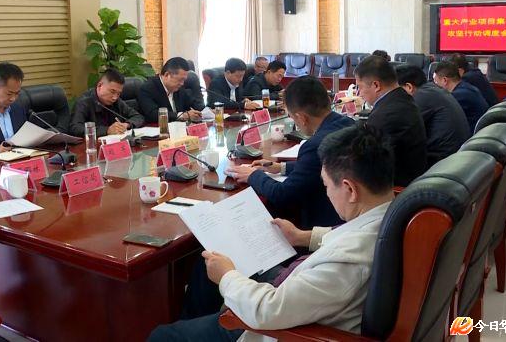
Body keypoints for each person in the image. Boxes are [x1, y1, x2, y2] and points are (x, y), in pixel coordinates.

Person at [149, 125, 394, 341]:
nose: (327, 193)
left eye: (326, 186)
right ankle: (201, 325)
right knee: (209, 265)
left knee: (163, 336)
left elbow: (268, 310)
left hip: (282, 325)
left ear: (350, 190)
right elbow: (344, 237)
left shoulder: (348, 260)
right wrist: (302, 237)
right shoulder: (390, 215)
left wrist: (227, 276)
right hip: (303, 292)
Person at [225, 76, 353, 228]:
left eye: (291, 117)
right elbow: (316, 166)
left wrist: (253, 175)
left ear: (302, 117)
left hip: (326, 223)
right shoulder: (348, 123)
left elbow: (283, 195)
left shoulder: (314, 146)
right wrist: (281, 167)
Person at [354, 55, 427, 186]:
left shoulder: (385, 115)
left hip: (397, 188)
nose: (358, 93)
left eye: (359, 87)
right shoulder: (401, 97)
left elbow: (367, 163)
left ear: (376, 85)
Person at [395, 64, 470, 166]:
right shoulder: (432, 90)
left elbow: (400, 128)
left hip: (441, 162)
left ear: (409, 87)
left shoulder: (421, 97)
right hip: (456, 158)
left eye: (395, 90)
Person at [69, 68, 145, 137]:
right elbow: (75, 128)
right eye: (112, 92)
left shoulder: (117, 101)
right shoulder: (84, 102)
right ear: (100, 85)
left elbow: (138, 117)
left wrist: (126, 125)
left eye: (118, 93)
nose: (115, 97)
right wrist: (107, 130)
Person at [138, 57, 205, 123]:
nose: (182, 83)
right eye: (180, 80)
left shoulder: (179, 88)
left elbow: (194, 104)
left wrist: (205, 111)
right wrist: (183, 116)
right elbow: (153, 114)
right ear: (167, 75)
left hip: (180, 127)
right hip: (159, 128)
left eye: (184, 80)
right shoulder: (147, 88)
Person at [433, 61, 489, 133]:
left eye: (435, 81)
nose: (434, 85)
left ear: (445, 80)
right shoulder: (466, 87)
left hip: (474, 136)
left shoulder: (458, 96)